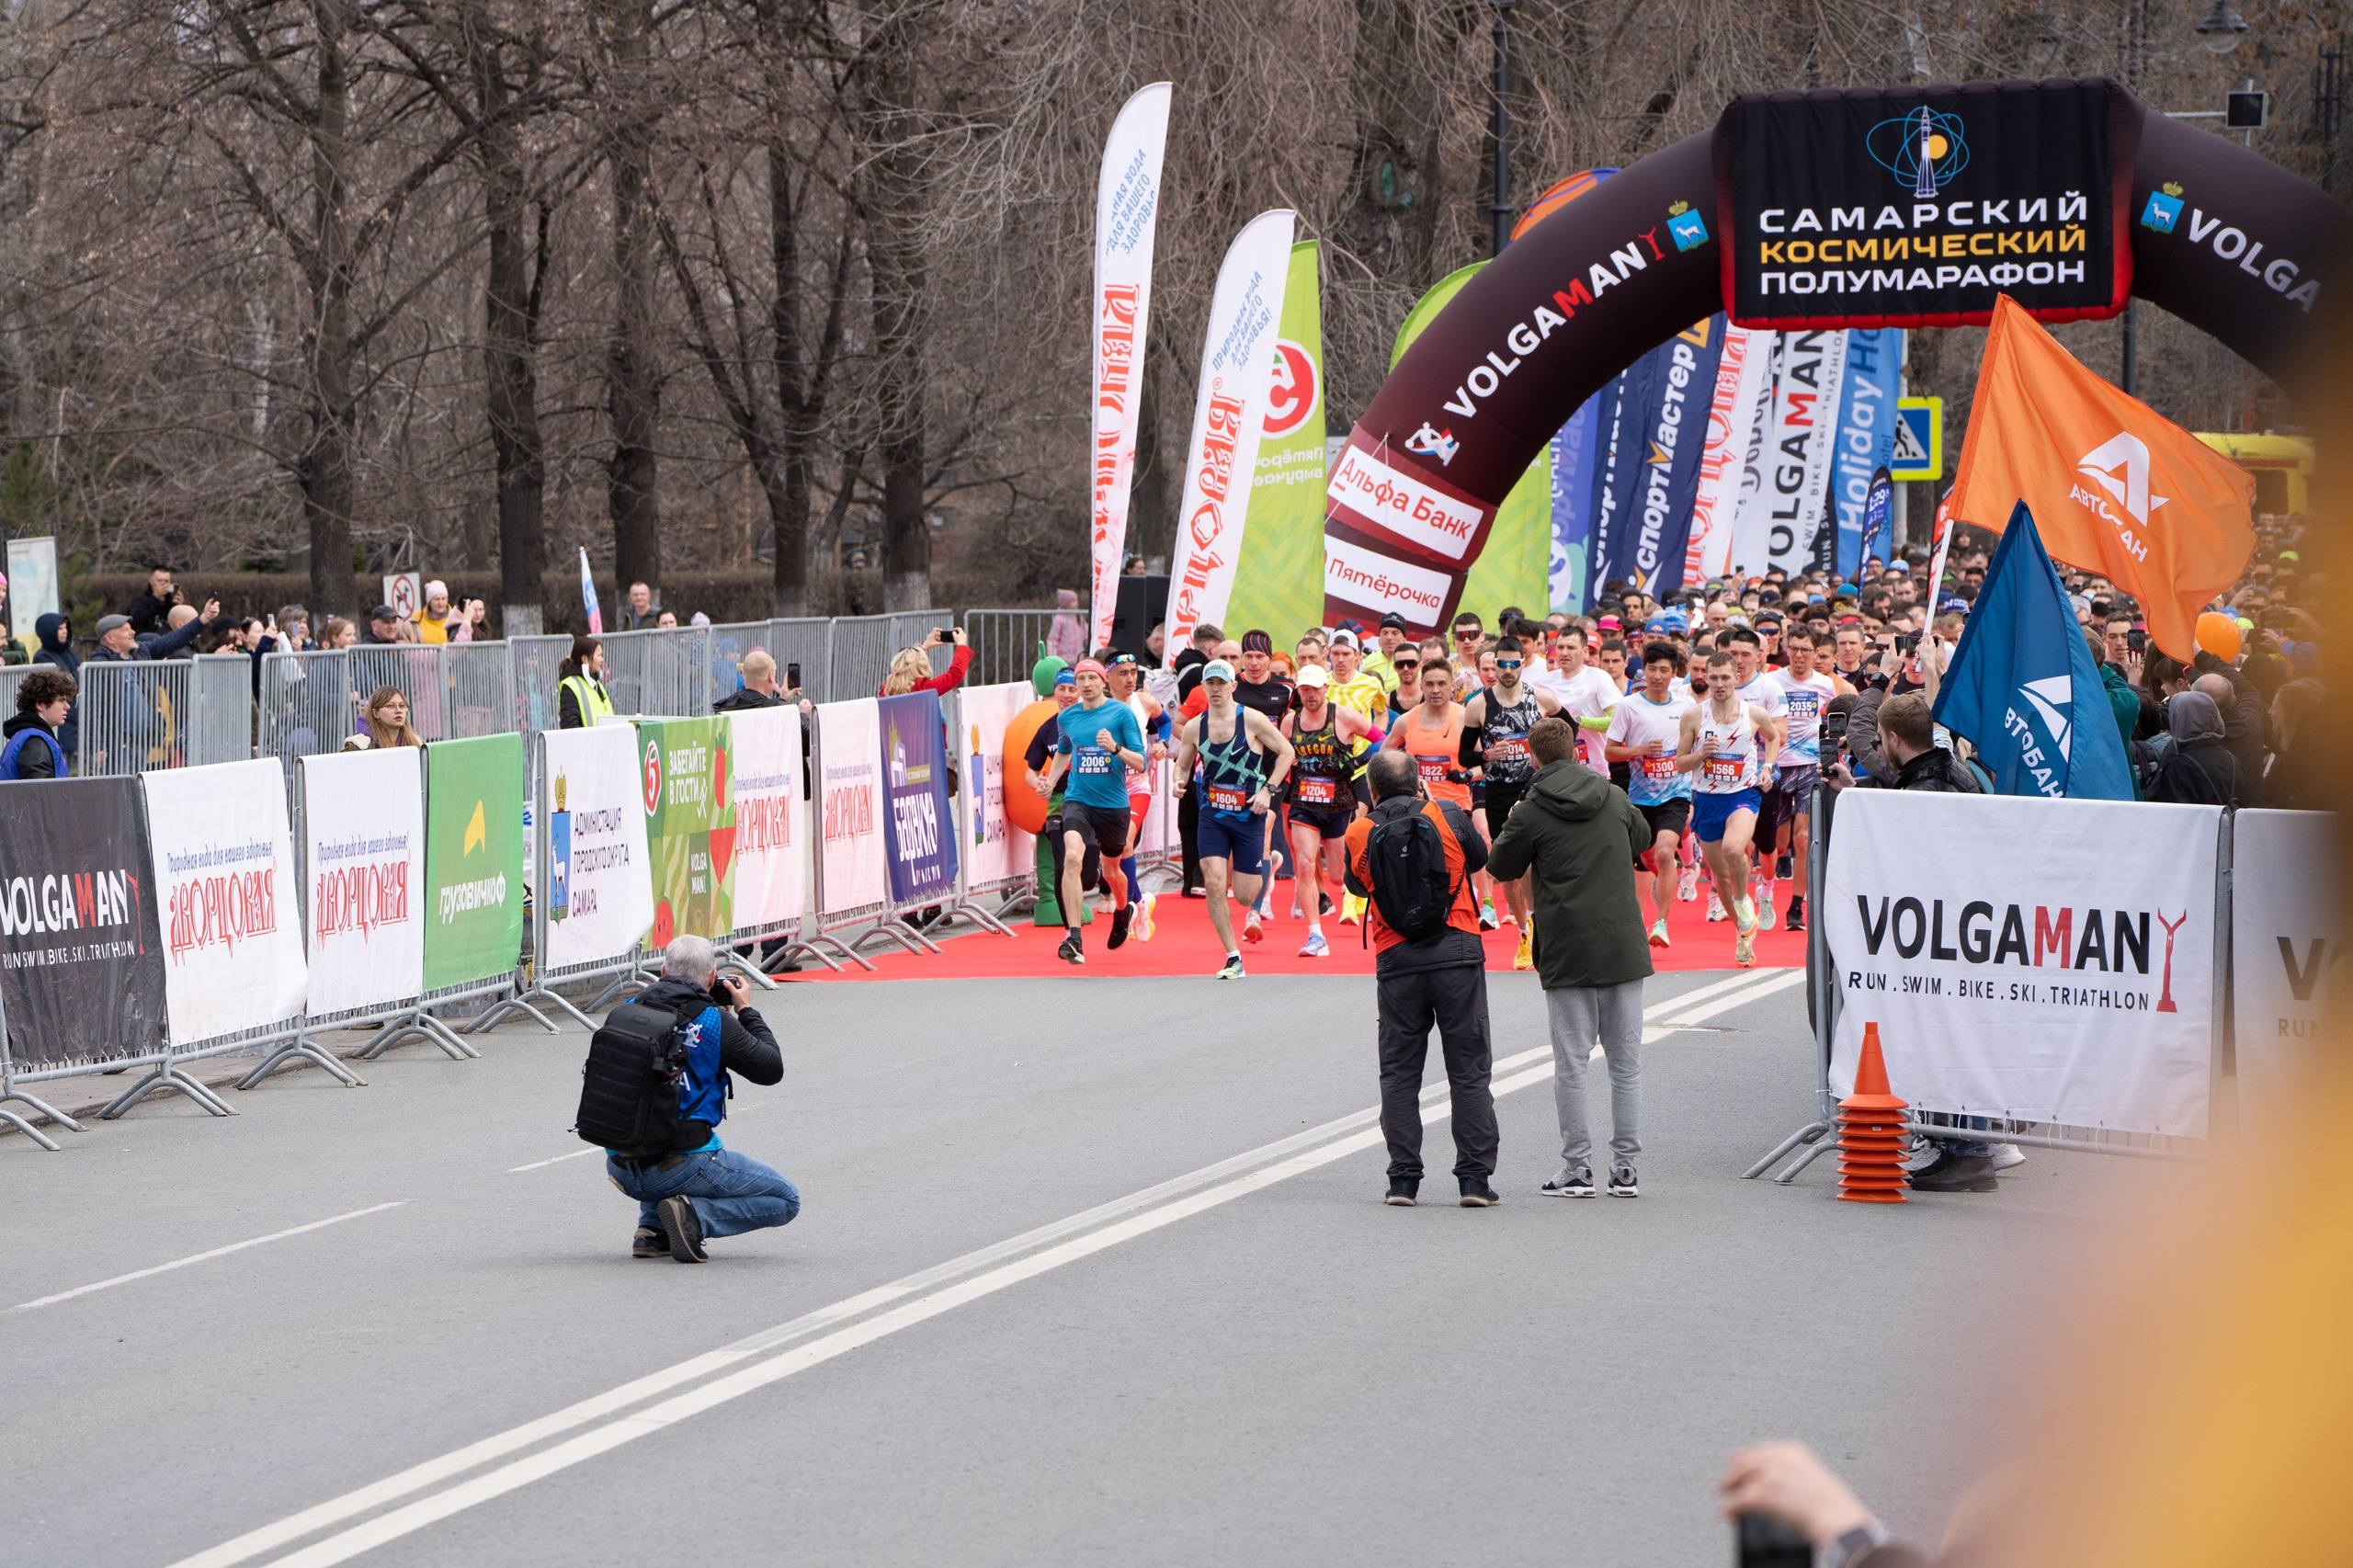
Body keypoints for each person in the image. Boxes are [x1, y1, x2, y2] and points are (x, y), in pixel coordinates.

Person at [1486, 716, 1654, 1199]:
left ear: (1533, 758)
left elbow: (1501, 866)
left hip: (1567, 945)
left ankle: (1577, 1169)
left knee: (1572, 1064)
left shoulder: (1531, 809)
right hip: (1622, 942)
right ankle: (1625, 1170)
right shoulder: (1614, 796)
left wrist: (1520, 817)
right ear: (1578, 752)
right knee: (1625, 1064)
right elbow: (1641, 840)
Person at [1343, 749, 1498, 1208]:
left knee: (1399, 1072)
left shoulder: (1359, 831)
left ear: (1372, 789)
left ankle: (1403, 1179)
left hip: (1397, 958)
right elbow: (1479, 856)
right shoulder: (1447, 811)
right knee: (1468, 1069)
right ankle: (1474, 1180)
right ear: (1418, 783)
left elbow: (1357, 885)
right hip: (1458, 949)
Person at [601, 935, 795, 1263]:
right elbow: (770, 1069)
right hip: (682, 1164)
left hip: (620, 1163)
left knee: (652, 1109)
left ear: (662, 970)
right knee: (786, 1199)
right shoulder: (713, 1019)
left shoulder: (625, 1012)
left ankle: (652, 1231)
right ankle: (696, 1218)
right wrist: (745, 1009)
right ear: (710, 979)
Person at [1171, 658, 1295, 977]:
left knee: (1243, 896)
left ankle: (1269, 866)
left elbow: (1286, 752)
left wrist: (1268, 790)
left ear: (1233, 686)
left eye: (1220, 683)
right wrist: (1178, 781)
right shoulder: (1196, 726)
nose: (1215, 689)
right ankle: (1232, 957)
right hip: (1212, 813)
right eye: (1209, 684)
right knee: (1213, 882)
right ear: (1203, 687)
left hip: (1249, 814)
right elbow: (1182, 764)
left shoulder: (1252, 720)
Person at [1461, 634, 1563, 968]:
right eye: (1500, 664)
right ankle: (1522, 933)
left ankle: (1535, 920)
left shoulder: (1541, 698)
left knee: (1535, 861)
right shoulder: (1478, 704)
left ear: (1523, 663)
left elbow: (1567, 733)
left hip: (1535, 787)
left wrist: (1547, 758)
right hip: (1499, 791)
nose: (1506, 670)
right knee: (1507, 868)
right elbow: (1464, 756)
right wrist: (1487, 754)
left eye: (1512, 664)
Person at [1042, 659, 1150, 965]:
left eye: (1092, 678)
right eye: (1081, 679)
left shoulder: (1121, 713)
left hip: (1114, 805)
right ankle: (1074, 938)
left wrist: (1115, 748)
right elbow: (1065, 750)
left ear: (1103, 682)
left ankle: (1122, 910)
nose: (1086, 684)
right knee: (1072, 858)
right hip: (1078, 800)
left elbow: (1141, 763)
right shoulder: (1068, 717)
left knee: (1113, 871)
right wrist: (1050, 782)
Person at [1677, 649, 1778, 969]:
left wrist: (1768, 767)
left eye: (1725, 677)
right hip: (1706, 799)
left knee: (1735, 850)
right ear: (1705, 678)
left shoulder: (1754, 713)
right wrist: (1699, 755)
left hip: (1742, 795)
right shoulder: (1693, 716)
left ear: (1737, 678)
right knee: (1719, 877)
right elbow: (1680, 764)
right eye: (1714, 678)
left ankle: (1742, 899)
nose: (1719, 684)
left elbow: (1774, 738)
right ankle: (1743, 934)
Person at [1605, 641, 1698, 949]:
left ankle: (1661, 923)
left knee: (1663, 852)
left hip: (1676, 795)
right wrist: (1640, 750)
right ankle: (1670, 875)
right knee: (1647, 858)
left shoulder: (1686, 707)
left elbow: (1696, 751)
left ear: (1674, 673)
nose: (1656, 675)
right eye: (1651, 669)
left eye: (1663, 670)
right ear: (1643, 670)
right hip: (1640, 797)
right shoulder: (1629, 706)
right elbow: (1610, 752)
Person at [1281, 663, 1371, 958]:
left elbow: (1382, 738)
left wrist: (1356, 764)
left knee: (1337, 875)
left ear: (1326, 689)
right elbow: (1281, 756)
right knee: (1306, 865)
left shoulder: (1343, 716)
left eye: (1314, 689)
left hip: (1339, 804)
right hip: (1304, 804)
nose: (1309, 694)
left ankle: (1370, 896)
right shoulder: (1289, 723)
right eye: (1304, 689)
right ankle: (1315, 936)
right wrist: (1284, 775)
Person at [1767, 627, 1837, 932]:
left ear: (1816, 653)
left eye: (1805, 650)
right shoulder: (1772, 682)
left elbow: (1832, 723)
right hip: (1779, 765)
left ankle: (1796, 907)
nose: (1798, 655)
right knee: (1778, 843)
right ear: (1786, 648)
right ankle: (1767, 886)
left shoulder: (1825, 685)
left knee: (1803, 837)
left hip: (1810, 764)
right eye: (1793, 648)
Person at [1, 668, 76, 779]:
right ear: (40, 704)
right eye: (61, 700)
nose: (67, 706)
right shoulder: (35, 744)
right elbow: (40, 794)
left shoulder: (28, 736)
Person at [88, 603, 226, 663]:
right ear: (110, 639)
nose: (132, 632)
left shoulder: (143, 651)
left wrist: (204, 618)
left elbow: (174, 638)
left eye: (131, 628)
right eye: (125, 630)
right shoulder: (100, 664)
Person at [31, 613, 80, 756]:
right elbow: (63, 684)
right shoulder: (43, 656)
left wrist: (75, 676)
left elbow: (77, 678)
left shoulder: (69, 652)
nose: (65, 631)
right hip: (60, 721)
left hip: (72, 717)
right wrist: (76, 676)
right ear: (49, 631)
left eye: (65, 627)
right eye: (60, 628)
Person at [880, 625, 971, 697]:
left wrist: (924, 647)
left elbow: (897, 670)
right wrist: (961, 646)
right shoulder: (923, 689)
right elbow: (956, 673)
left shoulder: (886, 691)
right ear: (920, 668)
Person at [341, 687, 424, 751]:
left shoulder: (417, 743)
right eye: (390, 706)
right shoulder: (359, 746)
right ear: (376, 713)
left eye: (402, 706)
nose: (398, 710)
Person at [558, 636, 614, 728]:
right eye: (599, 655)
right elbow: (569, 726)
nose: (602, 659)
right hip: (586, 742)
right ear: (585, 659)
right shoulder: (570, 687)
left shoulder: (596, 684)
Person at [715, 649, 792, 712]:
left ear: (743, 677)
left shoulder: (723, 707)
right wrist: (803, 713)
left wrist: (783, 699)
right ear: (771, 676)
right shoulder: (777, 709)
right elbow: (801, 728)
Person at [121, 565, 178, 636]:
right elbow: (136, 620)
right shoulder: (140, 600)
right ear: (151, 581)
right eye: (159, 581)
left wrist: (178, 607)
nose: (163, 584)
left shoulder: (170, 602)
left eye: (166, 581)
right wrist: (155, 598)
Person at [414, 580, 455, 644]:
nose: (441, 603)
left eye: (443, 599)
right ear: (429, 601)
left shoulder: (455, 617)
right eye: (437, 599)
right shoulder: (418, 618)